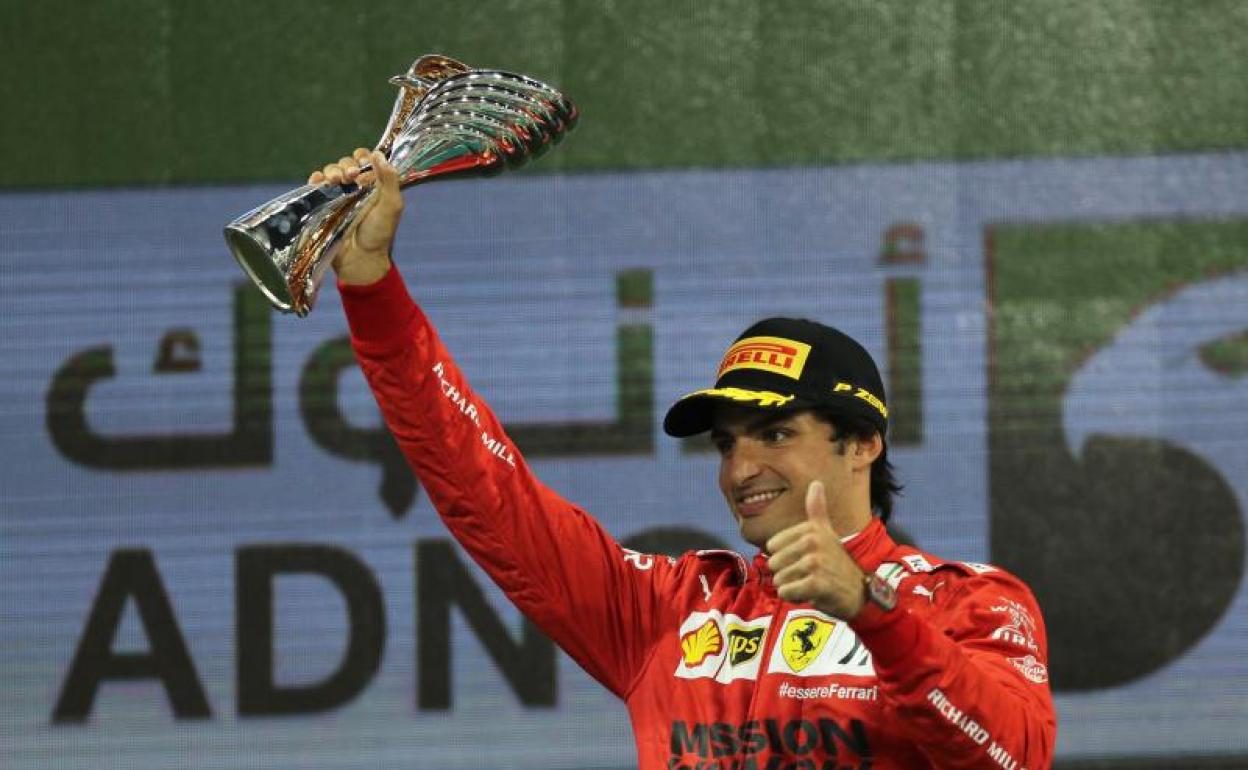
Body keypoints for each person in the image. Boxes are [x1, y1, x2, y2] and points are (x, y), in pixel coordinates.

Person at [312, 148, 1057, 769]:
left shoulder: (968, 605)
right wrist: (371, 286)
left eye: (774, 434)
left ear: (862, 443)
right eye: (726, 443)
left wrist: (870, 611)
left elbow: (1015, 756)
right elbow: (485, 491)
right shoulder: (667, 610)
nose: (740, 469)